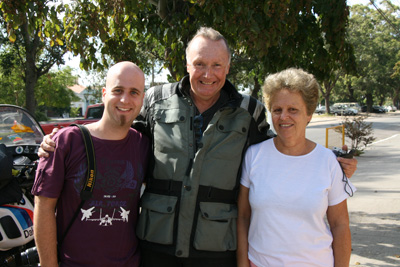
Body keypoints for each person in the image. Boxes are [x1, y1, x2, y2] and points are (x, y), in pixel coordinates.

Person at [39, 27, 358, 266]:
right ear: (187, 64)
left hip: (217, 249)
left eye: (217, 65)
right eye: (200, 64)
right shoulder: (154, 101)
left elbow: (283, 149)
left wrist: (328, 161)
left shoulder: (251, 111)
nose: (208, 74)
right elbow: (119, 138)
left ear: (229, 66)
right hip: (155, 246)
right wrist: (58, 144)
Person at [32, 61, 149, 266]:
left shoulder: (144, 144)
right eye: (118, 90)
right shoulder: (66, 141)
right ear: (104, 94)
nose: (125, 99)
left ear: (142, 99)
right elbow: (43, 207)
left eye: (134, 92)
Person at [237, 68, 356, 267]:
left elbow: (340, 225)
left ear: (309, 114)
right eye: (277, 110)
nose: (284, 117)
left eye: (293, 110)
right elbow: (243, 217)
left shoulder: (327, 161)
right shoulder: (254, 155)